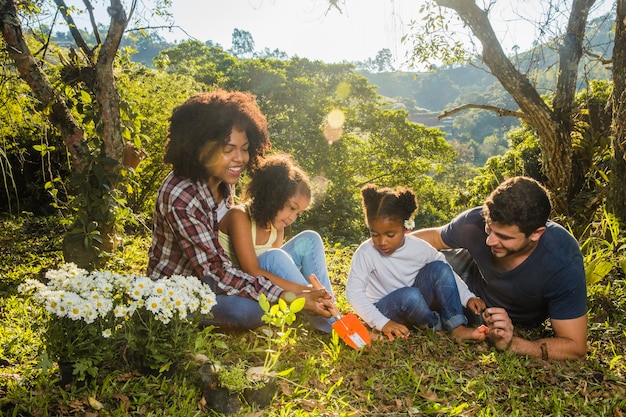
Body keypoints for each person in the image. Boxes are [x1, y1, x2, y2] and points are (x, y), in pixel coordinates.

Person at [147, 90, 332, 329]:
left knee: (303, 244)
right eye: (228, 149)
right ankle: (310, 311)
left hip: (228, 275)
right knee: (245, 311)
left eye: (244, 148)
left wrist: (296, 290)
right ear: (199, 146)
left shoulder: (222, 181)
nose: (240, 158)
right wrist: (291, 295)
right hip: (186, 289)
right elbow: (216, 274)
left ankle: (325, 308)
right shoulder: (181, 197)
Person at [412, 176, 587, 360]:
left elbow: (575, 346)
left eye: (504, 237)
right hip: (464, 272)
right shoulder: (474, 221)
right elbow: (434, 237)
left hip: (493, 315)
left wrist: (514, 344)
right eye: (489, 228)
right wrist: (382, 253)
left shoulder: (561, 259)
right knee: (423, 265)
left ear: (536, 234)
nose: (490, 241)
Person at [345, 184, 488, 342]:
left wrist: (468, 297)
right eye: (375, 234)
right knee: (409, 295)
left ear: (406, 228)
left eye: (390, 235)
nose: (382, 241)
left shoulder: (420, 248)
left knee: (439, 268)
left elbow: (446, 272)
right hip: (385, 309)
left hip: (417, 302)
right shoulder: (366, 253)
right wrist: (382, 322)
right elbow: (354, 292)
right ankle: (433, 324)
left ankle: (456, 327)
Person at [218, 153, 335, 332]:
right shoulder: (238, 216)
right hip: (241, 283)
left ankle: (329, 305)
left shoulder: (277, 226)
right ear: (273, 196)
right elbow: (251, 270)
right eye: (292, 208)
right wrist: (305, 291)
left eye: (298, 213)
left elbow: (277, 271)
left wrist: (311, 292)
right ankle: (333, 324)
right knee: (274, 256)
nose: (292, 218)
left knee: (310, 238)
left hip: (266, 282)